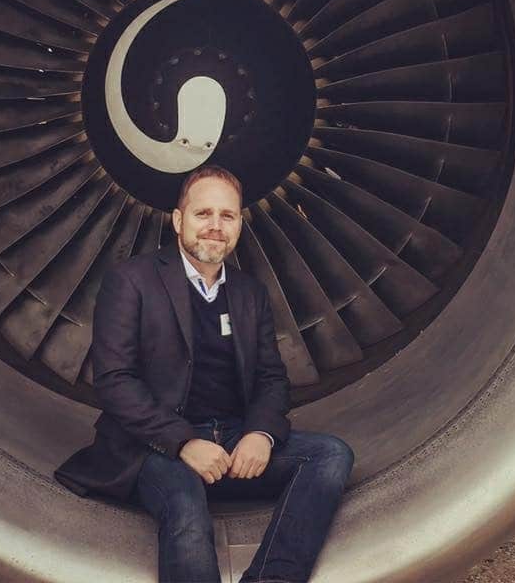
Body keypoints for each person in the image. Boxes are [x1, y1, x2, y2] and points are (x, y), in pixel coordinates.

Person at [55, 165, 354, 583]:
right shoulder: (131, 281)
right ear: (179, 221)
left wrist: (261, 434)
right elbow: (115, 380)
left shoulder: (249, 293)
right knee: (185, 500)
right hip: (153, 447)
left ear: (238, 226)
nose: (215, 226)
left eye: (227, 216)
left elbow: (271, 378)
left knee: (331, 455)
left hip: (230, 439)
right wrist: (182, 442)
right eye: (203, 214)